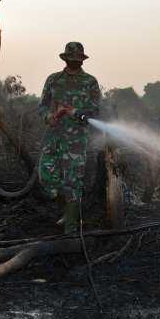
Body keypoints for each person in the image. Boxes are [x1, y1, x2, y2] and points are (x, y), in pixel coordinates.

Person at [38, 42, 101, 234]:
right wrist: (48, 117)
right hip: (53, 137)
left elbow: (95, 111)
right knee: (46, 176)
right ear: (65, 59)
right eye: (71, 58)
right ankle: (67, 210)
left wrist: (75, 112)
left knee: (73, 183)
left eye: (78, 59)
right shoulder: (53, 80)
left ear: (82, 59)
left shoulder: (90, 82)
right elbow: (42, 106)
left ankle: (71, 228)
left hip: (76, 142)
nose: (75, 62)